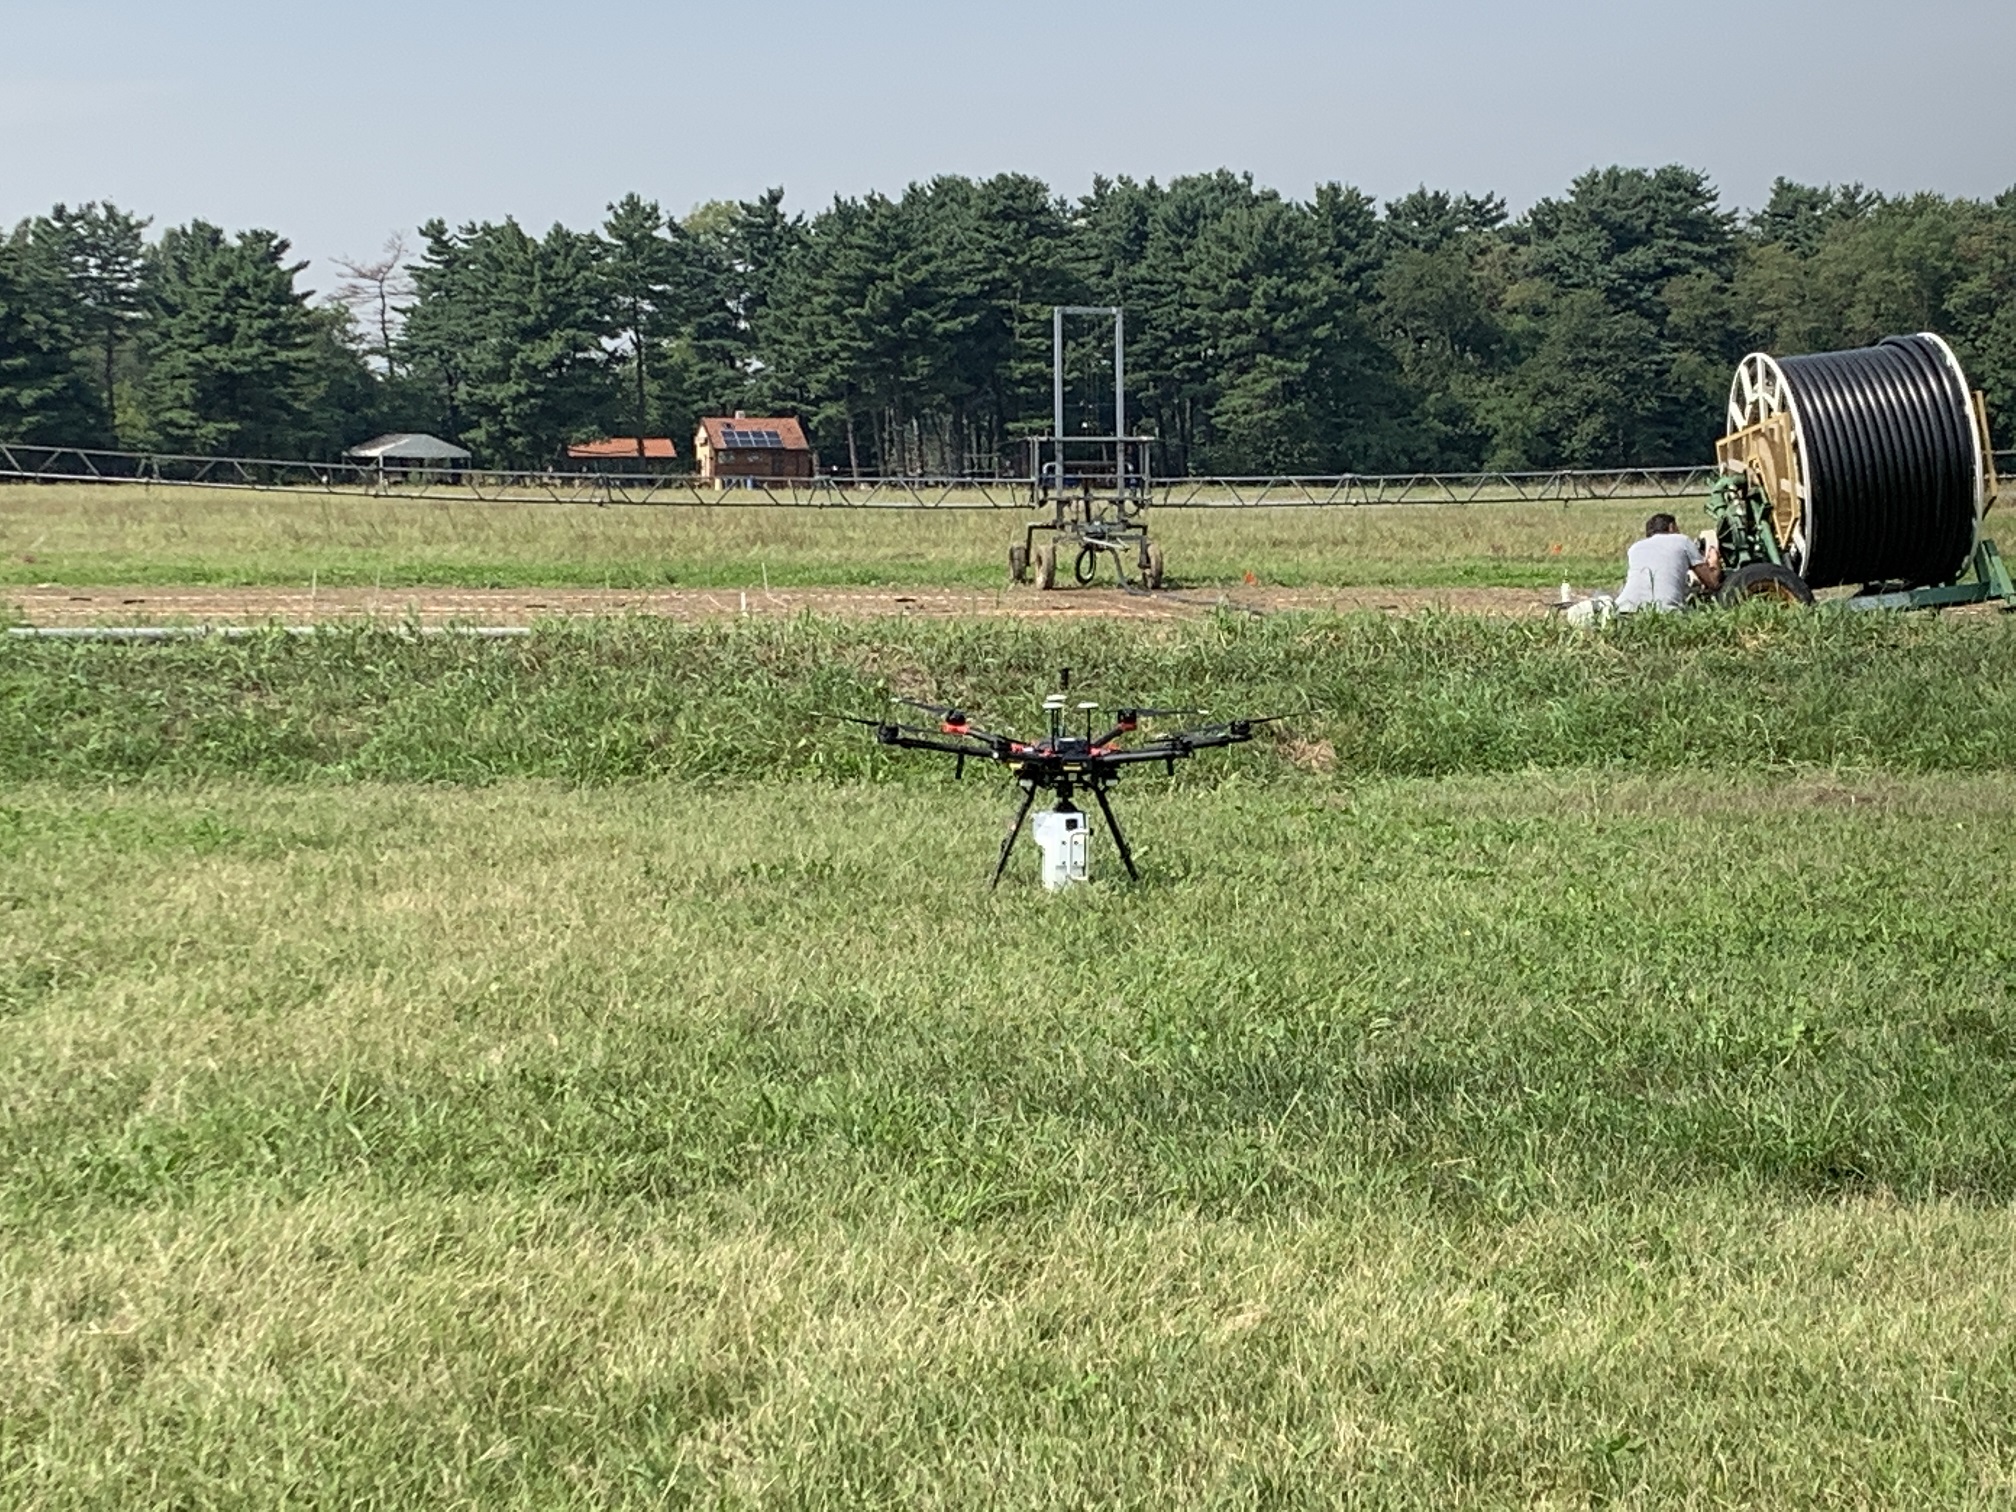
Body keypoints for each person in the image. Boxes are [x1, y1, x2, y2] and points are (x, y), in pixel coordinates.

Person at [1565, 513, 1720, 625]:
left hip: (1626, 611)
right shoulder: (1683, 541)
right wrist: (1713, 560)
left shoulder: (1635, 548)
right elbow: (1711, 583)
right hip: (1667, 614)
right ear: (1672, 527)